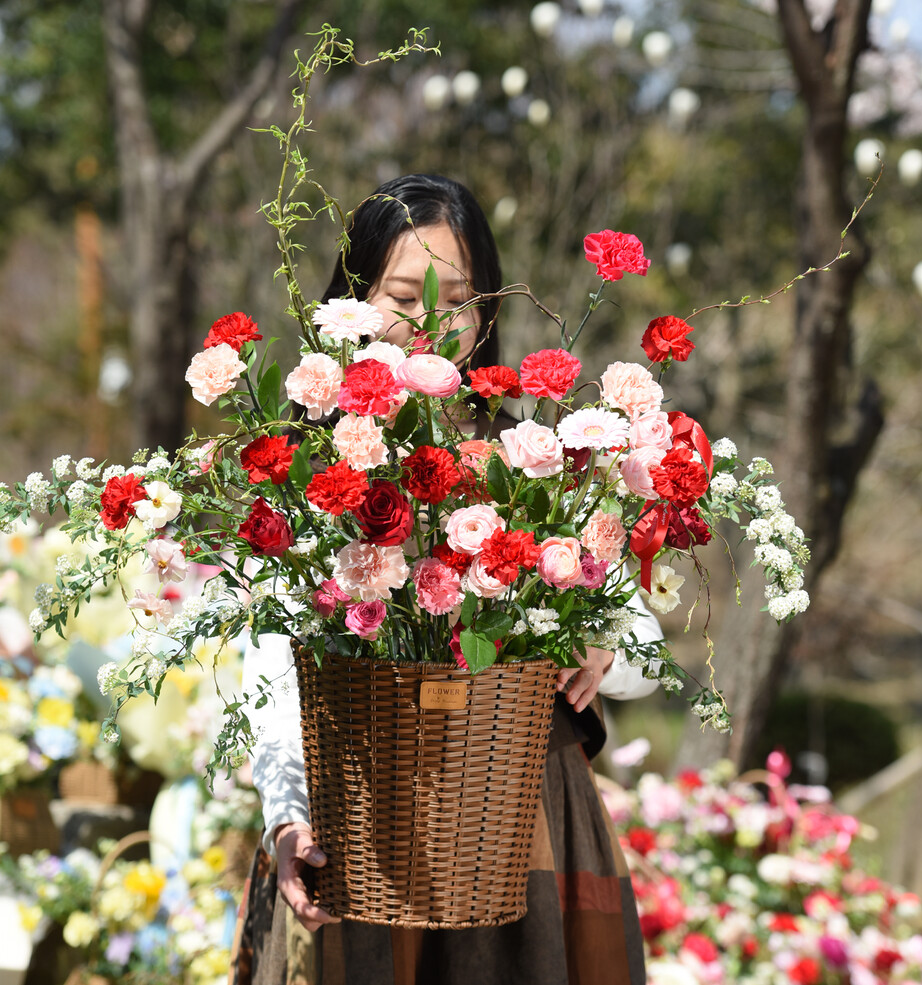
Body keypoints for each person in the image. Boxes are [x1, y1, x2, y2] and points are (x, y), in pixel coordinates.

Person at [230, 174, 663, 985]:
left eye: (459, 298)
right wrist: (287, 818)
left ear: (489, 309)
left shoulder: (534, 458)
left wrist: (603, 648)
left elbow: (646, 649)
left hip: (524, 825)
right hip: (363, 823)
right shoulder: (309, 470)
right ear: (353, 301)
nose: (433, 317)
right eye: (404, 294)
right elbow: (275, 666)